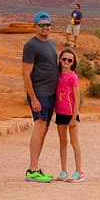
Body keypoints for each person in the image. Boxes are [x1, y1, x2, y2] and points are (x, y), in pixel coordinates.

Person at [22, 11, 58, 183]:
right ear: (35, 26)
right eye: (42, 25)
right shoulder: (31, 46)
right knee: (40, 126)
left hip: (51, 94)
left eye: (48, 24)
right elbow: (26, 74)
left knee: (44, 129)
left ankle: (36, 167)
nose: (45, 27)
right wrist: (34, 98)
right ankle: (32, 169)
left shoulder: (51, 44)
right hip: (39, 93)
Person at [54, 49, 84, 183]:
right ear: (60, 60)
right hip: (60, 112)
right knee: (62, 142)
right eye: (64, 59)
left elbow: (77, 98)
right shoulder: (58, 75)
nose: (66, 62)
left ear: (73, 63)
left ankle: (79, 171)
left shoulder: (73, 77)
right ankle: (63, 170)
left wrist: (74, 117)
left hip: (71, 113)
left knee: (74, 142)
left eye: (69, 60)